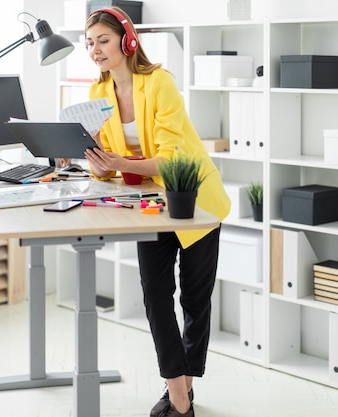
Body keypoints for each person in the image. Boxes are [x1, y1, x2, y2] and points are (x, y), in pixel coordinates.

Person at [83, 7, 231, 417]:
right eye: (90, 43)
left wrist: (119, 162)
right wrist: (94, 153)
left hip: (193, 201)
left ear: (127, 41)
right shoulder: (98, 94)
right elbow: (106, 166)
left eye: (103, 41)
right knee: (155, 296)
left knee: (195, 301)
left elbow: (168, 160)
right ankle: (179, 394)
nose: (95, 50)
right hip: (148, 206)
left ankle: (184, 385)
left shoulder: (158, 83)